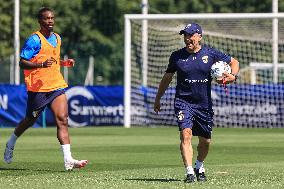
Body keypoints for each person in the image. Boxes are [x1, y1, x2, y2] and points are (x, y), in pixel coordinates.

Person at [4, 7, 88, 171]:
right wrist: (40, 65)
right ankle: (11, 142)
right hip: (38, 88)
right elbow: (22, 62)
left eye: (52, 18)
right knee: (30, 120)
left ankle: (68, 159)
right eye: (47, 18)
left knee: (63, 119)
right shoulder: (35, 40)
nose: (50, 21)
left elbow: (53, 60)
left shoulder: (57, 38)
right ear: (40, 21)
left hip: (56, 85)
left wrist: (64, 63)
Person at [154, 23, 239, 183]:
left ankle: (199, 165)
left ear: (199, 36)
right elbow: (167, 78)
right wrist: (158, 98)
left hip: (203, 104)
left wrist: (233, 75)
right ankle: (189, 173)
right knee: (185, 135)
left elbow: (234, 62)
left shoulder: (211, 54)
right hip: (183, 102)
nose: (187, 39)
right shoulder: (176, 56)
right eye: (185, 35)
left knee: (205, 141)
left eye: (191, 35)